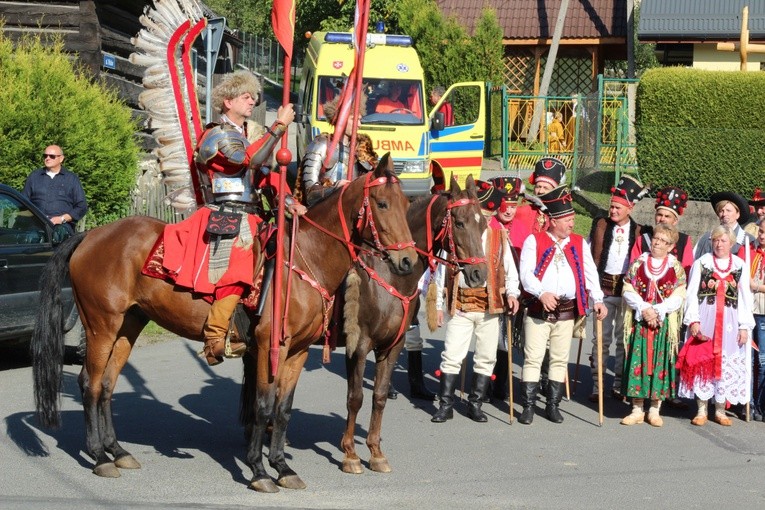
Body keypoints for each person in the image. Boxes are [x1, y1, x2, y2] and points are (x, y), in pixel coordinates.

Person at [158, 70, 304, 366]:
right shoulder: (217, 135)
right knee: (238, 265)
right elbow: (250, 160)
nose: (252, 102)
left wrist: (289, 200)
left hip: (253, 213)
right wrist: (278, 127)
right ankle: (216, 335)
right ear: (227, 101)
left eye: (254, 97)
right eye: (245, 97)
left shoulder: (245, 135)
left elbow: (263, 175)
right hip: (225, 214)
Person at [431, 183, 520, 423]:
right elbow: (441, 272)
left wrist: (512, 294)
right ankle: (445, 405)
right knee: (451, 355)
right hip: (460, 306)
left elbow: (510, 270)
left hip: (489, 308)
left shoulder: (498, 236)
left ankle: (475, 404)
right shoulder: (455, 236)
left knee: (486, 356)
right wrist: (438, 305)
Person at [517, 185, 606, 424]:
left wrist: (597, 299)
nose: (571, 224)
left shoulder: (578, 242)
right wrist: (541, 293)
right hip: (539, 309)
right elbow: (526, 274)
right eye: (567, 219)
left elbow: (590, 274)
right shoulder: (533, 241)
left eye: (573, 219)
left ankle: (552, 405)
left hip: (566, 311)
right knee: (533, 358)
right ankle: (527, 406)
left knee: (559, 359)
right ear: (553, 220)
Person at [676, 225, 754, 426]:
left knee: (725, 362)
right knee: (703, 361)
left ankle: (720, 409)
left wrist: (744, 326)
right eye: (716, 240)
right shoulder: (702, 263)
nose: (719, 244)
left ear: (731, 243)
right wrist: (693, 319)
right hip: (706, 318)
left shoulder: (739, 265)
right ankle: (702, 408)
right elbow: (691, 293)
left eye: (723, 240)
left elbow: (745, 297)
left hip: (730, 321)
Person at [620, 224, 687, 427]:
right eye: (656, 238)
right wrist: (644, 308)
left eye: (663, 241)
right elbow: (628, 288)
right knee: (637, 361)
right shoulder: (639, 263)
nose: (657, 243)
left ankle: (655, 409)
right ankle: (637, 408)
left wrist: (658, 310)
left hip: (662, 324)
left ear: (671, 245)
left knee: (660, 362)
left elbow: (679, 295)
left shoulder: (675, 268)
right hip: (641, 321)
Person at [588, 174, 647, 402]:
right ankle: (597, 385)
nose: (612, 211)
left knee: (623, 340)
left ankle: (618, 384)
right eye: (611, 206)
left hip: (625, 294)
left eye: (618, 207)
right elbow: (590, 255)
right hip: (603, 292)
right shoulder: (600, 225)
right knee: (600, 340)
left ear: (630, 208)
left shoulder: (640, 232)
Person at [485, 176, 531, 400]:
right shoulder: (488, 226)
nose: (510, 211)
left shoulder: (522, 228)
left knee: (506, 340)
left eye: (514, 206)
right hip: (490, 291)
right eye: (506, 205)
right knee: (488, 340)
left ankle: (500, 382)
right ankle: (482, 383)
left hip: (514, 293)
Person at [299, 94, 377, 206]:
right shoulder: (321, 146)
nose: (359, 125)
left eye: (360, 120)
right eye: (354, 119)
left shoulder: (360, 150)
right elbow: (310, 193)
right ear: (342, 119)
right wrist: (336, 187)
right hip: (325, 211)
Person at [22, 145, 88, 234]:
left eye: (52, 156)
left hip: (62, 226)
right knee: (30, 238)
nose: (47, 158)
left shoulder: (71, 179)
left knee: (57, 237)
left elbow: (82, 206)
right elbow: (23, 203)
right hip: (35, 225)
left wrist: (62, 219)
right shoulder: (34, 177)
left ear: (61, 159)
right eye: (45, 156)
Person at [630, 186, 694, 278]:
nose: (662, 219)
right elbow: (633, 269)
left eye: (667, 216)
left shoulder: (684, 241)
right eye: (659, 215)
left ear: (675, 221)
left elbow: (687, 271)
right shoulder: (643, 239)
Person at [693, 191, 753, 260]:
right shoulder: (706, 238)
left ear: (737, 214)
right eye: (721, 211)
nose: (724, 214)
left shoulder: (749, 241)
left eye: (728, 210)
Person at [515, 156, 567, 234]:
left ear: (554, 191)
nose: (540, 191)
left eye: (545, 188)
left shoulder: (561, 216)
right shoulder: (521, 211)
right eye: (538, 187)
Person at [748, 222, 765, 421]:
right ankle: (748, 402)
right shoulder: (749, 251)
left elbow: (752, 284)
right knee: (748, 359)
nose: (762, 236)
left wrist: (757, 287)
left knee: (762, 360)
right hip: (748, 310)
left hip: (763, 311)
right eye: (760, 231)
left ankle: (760, 404)